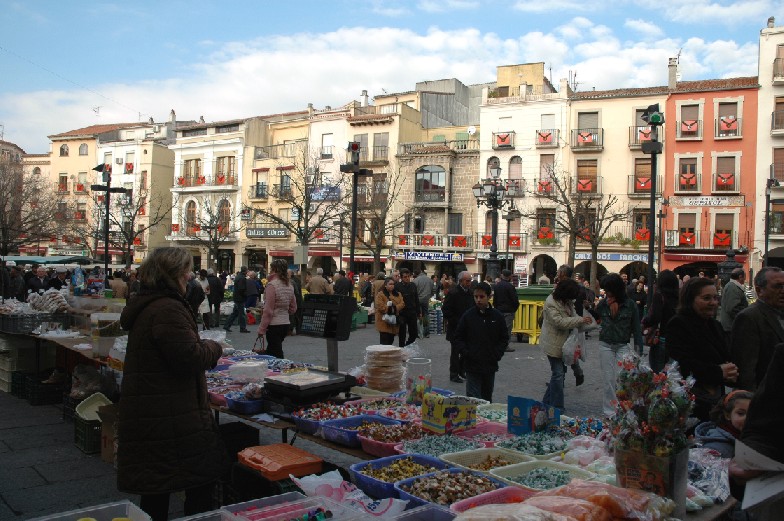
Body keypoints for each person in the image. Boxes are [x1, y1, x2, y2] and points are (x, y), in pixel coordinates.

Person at [117, 247, 227, 521]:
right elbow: (189, 357)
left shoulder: (150, 302)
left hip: (156, 408)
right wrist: (214, 347)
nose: (190, 275)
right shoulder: (167, 308)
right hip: (170, 415)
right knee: (199, 480)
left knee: (157, 485)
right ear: (174, 274)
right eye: (186, 270)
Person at [667, 277, 738, 422]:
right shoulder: (679, 324)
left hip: (715, 398)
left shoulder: (715, 325)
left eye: (715, 298)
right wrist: (718, 372)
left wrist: (731, 372)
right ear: (690, 300)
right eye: (706, 298)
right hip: (690, 401)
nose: (713, 303)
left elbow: (725, 356)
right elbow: (683, 362)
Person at [539, 279, 594, 411]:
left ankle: (545, 402)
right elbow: (560, 322)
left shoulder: (567, 301)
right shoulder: (551, 302)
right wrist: (580, 320)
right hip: (552, 343)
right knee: (558, 374)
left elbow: (573, 315)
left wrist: (584, 322)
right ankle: (558, 407)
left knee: (558, 374)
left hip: (564, 343)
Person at [595, 273, 644, 417]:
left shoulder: (630, 305)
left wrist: (638, 351)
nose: (607, 293)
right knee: (608, 379)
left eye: (608, 289)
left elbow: (636, 328)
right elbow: (595, 319)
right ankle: (610, 412)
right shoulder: (603, 304)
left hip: (622, 345)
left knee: (622, 379)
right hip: (606, 345)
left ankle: (623, 409)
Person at [730, 266, 784, 392]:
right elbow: (746, 368)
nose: (783, 290)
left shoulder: (779, 313)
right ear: (759, 291)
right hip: (766, 397)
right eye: (778, 286)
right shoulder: (749, 317)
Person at [453, 282, 509, 402]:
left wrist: (497, 354)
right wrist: (466, 353)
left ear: (489, 297)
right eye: (476, 297)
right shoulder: (468, 316)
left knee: (487, 398)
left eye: (481, 297)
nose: (478, 300)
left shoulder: (497, 316)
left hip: (490, 365)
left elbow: (504, 338)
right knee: (473, 399)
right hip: (472, 365)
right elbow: (458, 337)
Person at [256, 259, 297, 359]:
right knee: (273, 349)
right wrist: (284, 310)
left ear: (274, 269)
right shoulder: (289, 285)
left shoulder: (272, 285)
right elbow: (293, 308)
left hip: (274, 324)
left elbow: (268, 311)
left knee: (276, 353)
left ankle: (280, 370)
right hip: (285, 323)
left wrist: (262, 328)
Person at [695, 389, 753, 458]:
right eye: (741, 413)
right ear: (727, 415)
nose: (747, 418)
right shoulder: (717, 448)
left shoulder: (746, 437)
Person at [641, 270, 679, 373]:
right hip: (675, 340)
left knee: (658, 372)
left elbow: (655, 317)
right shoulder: (679, 298)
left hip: (661, 338)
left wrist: (644, 321)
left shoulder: (659, 296)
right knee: (671, 372)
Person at [442, 271, 474, 383]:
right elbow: (445, 310)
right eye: (467, 281)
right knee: (455, 353)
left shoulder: (471, 293)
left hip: (468, 328)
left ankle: (462, 370)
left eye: (470, 281)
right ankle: (454, 374)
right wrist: (455, 321)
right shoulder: (454, 292)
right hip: (455, 328)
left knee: (466, 351)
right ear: (461, 281)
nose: (469, 283)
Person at [493, 269, 520, 353]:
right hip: (508, 311)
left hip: (499, 310)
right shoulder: (510, 286)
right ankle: (505, 345)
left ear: (502, 275)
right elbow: (515, 300)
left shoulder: (497, 286)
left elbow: (495, 299)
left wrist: (496, 308)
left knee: (499, 328)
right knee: (507, 329)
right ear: (509, 277)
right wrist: (514, 309)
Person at [720, 268, 748, 346]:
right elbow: (732, 308)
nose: (745, 280)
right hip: (731, 326)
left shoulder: (732, 286)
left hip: (731, 326)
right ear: (740, 277)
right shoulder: (732, 287)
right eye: (744, 277)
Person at [374, 277, 405, 345]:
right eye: (390, 284)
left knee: (391, 341)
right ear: (385, 285)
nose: (392, 286)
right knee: (384, 343)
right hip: (383, 321)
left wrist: (394, 308)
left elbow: (402, 304)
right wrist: (390, 309)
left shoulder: (398, 294)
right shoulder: (380, 294)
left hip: (393, 322)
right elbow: (380, 306)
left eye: (393, 284)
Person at [395, 268, 421, 347]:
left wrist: (419, 311)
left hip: (412, 312)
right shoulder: (397, 286)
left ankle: (407, 345)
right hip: (402, 313)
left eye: (408, 276)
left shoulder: (413, 285)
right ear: (401, 278)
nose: (407, 278)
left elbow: (416, 298)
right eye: (405, 277)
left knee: (414, 333)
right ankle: (401, 348)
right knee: (402, 334)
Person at [223, 266, 250, 333]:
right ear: (245, 271)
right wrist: (245, 294)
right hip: (240, 298)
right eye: (247, 270)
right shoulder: (242, 278)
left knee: (235, 313)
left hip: (237, 297)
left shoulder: (239, 276)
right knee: (241, 314)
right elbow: (241, 289)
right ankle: (242, 328)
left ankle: (227, 325)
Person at [413, 269, 433, 338]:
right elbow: (432, 290)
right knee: (426, 315)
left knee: (418, 315)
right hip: (426, 299)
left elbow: (414, 291)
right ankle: (427, 332)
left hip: (418, 299)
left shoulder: (416, 280)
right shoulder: (429, 280)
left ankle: (419, 332)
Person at [288, 269, 303, 335]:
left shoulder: (291, 281)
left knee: (293, 316)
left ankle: (291, 330)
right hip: (297, 300)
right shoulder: (297, 280)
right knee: (297, 316)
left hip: (295, 300)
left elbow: (296, 292)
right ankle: (298, 330)